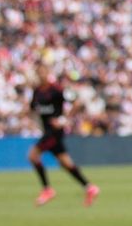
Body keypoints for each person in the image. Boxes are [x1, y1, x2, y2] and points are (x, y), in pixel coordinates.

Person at [27, 68, 99, 208]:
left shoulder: (57, 90)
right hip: (46, 131)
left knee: (32, 156)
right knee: (65, 163)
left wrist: (63, 119)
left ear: (48, 75)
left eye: (44, 73)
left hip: (54, 132)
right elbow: (32, 110)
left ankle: (47, 189)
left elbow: (77, 102)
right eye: (39, 73)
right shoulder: (37, 92)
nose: (41, 76)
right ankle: (89, 187)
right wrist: (32, 121)